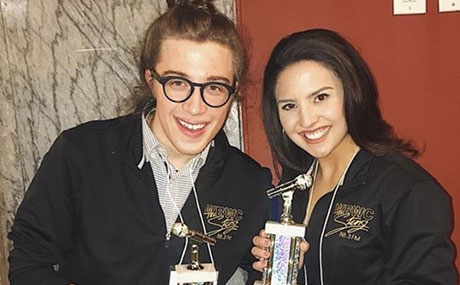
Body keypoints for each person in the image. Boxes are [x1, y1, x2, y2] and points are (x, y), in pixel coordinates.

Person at [8, 1, 272, 284]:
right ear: (151, 80)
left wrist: (278, 264)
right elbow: (30, 261)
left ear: (232, 93)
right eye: (177, 83)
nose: (196, 107)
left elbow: (256, 270)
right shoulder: (80, 153)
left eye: (215, 87)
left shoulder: (250, 182)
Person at [251, 29, 458, 284]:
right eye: (289, 106)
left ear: (352, 93)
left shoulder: (408, 191)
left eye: (320, 97)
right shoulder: (294, 183)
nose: (306, 120)